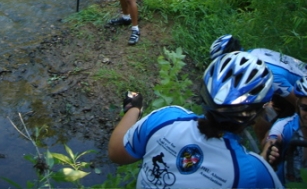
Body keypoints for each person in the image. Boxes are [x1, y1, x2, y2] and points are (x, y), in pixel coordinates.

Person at [108, 51, 283, 188]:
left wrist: (134, 108)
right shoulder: (252, 172)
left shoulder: (166, 118)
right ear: (254, 116)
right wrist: (262, 163)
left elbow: (117, 153)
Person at [210, 34, 307, 141]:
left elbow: (298, 103)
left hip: (300, 93)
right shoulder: (252, 54)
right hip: (290, 87)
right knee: (261, 122)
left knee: (264, 130)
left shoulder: (268, 73)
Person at [261, 77, 307, 184]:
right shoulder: (284, 126)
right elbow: (271, 141)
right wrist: (270, 151)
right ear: (298, 105)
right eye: (305, 108)